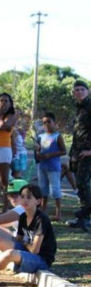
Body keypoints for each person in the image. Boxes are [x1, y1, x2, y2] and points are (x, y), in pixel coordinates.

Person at [67, 80, 91, 232]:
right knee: (80, 186)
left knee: (82, 184)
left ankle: (84, 213)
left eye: (83, 89)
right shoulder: (78, 108)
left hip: (88, 153)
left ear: (88, 91)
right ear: (73, 93)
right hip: (78, 152)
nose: (80, 92)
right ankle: (83, 219)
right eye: (77, 90)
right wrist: (73, 154)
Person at [36, 112, 67, 221]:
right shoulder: (40, 136)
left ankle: (58, 213)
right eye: (44, 122)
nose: (47, 124)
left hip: (53, 167)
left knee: (55, 190)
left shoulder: (57, 136)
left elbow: (64, 151)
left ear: (54, 123)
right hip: (42, 166)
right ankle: (43, 211)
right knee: (43, 189)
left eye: (49, 122)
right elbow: (38, 150)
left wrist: (51, 155)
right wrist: (38, 152)